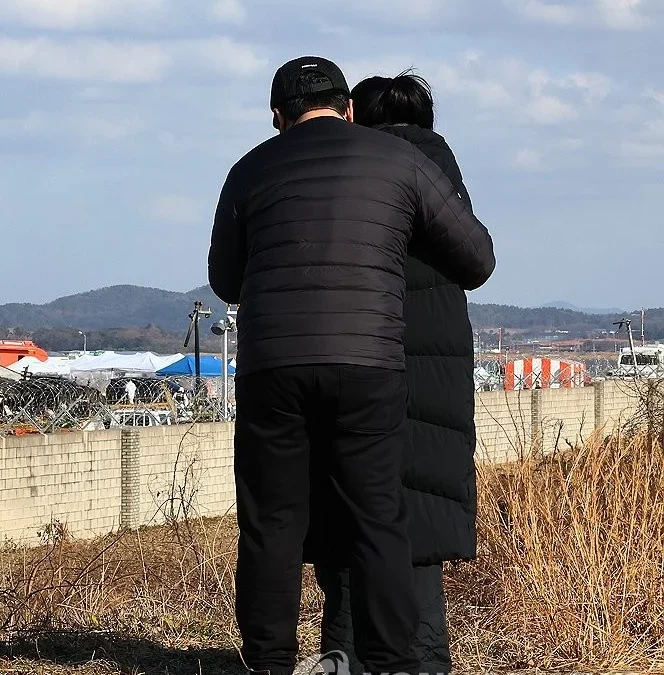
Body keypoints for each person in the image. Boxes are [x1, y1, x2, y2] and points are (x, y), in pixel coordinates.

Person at [208, 56, 495, 675]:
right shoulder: (401, 162)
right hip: (369, 364)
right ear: (349, 108)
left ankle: (269, 663)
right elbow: (476, 259)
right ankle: (392, 664)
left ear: (277, 117)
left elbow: (226, 281)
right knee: (379, 518)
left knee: (272, 524)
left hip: (274, 367)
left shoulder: (249, 169)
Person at [304, 72, 478, 675]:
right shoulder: (441, 175)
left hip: (354, 357)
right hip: (435, 372)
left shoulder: (354, 173)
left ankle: (346, 657)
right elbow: (476, 258)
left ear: (358, 119)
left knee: (350, 518)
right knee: (419, 528)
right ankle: (423, 660)